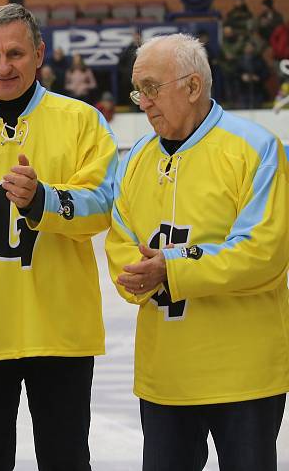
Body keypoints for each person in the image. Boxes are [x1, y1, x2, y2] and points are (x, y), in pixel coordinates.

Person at [0, 3, 118, 471]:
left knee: (66, 459)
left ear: (39, 54)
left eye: (15, 53)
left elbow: (104, 205)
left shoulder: (81, 121)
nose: (3, 66)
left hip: (60, 330)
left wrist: (42, 201)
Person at [105, 33, 289, 471]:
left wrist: (171, 268)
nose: (142, 102)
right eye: (137, 90)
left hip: (244, 376)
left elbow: (265, 252)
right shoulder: (134, 161)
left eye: (152, 88)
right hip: (164, 377)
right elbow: (119, 241)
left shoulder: (256, 149)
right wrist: (135, 278)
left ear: (192, 86)